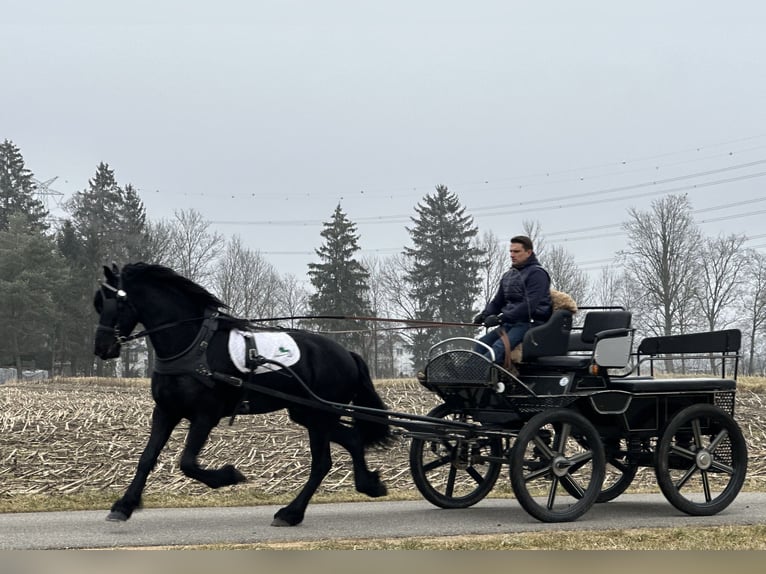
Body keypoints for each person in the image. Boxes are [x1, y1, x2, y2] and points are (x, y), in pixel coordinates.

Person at [473, 235, 552, 366]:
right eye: (510, 251)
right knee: (481, 345)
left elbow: (528, 305)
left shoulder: (538, 274)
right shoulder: (509, 275)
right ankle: (464, 373)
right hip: (510, 323)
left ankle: (477, 374)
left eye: (516, 251)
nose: (512, 255)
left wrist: (500, 319)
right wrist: (485, 314)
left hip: (530, 323)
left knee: (498, 348)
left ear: (528, 252)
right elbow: (498, 302)